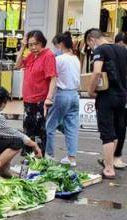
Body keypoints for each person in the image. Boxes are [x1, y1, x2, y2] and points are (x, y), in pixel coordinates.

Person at [85, 28, 127, 179]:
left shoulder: (100, 50)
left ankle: (108, 168)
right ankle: (108, 161)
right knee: (115, 130)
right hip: (122, 96)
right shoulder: (123, 50)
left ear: (92, 40)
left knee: (107, 133)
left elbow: (96, 72)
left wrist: (90, 91)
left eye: (89, 46)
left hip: (106, 97)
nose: (91, 48)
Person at [15, 30, 57, 154]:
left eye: (36, 44)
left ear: (42, 43)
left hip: (40, 100)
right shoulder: (31, 56)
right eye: (30, 45)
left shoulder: (48, 55)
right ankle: (29, 158)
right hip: (28, 99)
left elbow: (53, 78)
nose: (33, 47)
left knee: (39, 131)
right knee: (28, 130)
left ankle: (39, 158)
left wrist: (48, 98)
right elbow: (17, 65)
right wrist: (22, 46)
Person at [45, 32, 81, 166]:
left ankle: (49, 155)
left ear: (60, 45)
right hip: (74, 95)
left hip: (62, 94)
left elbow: (53, 78)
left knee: (50, 125)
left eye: (55, 45)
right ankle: (72, 158)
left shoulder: (59, 59)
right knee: (71, 126)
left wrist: (49, 97)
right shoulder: (76, 59)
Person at [112, 32, 127, 169]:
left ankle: (116, 156)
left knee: (121, 127)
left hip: (122, 96)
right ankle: (114, 156)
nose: (120, 49)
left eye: (123, 46)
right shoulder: (112, 57)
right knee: (118, 127)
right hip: (118, 96)